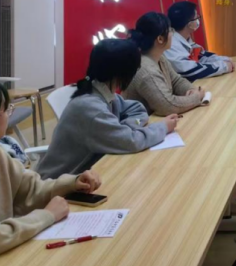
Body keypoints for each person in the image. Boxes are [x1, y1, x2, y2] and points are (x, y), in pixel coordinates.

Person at [0, 78, 102, 266]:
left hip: (3, 257)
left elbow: (30, 189)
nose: (10, 113)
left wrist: (72, 183)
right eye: (6, 109)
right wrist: (47, 215)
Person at [38, 39, 178, 179]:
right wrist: (163, 127)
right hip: (59, 184)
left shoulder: (101, 90)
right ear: (124, 73)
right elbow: (132, 141)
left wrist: (126, 127)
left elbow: (137, 110)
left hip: (86, 174)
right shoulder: (91, 108)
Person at [122, 12, 206, 116]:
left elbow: (176, 81)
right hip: (142, 123)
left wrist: (191, 90)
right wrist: (196, 97)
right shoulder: (146, 70)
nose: (173, 34)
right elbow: (167, 106)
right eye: (170, 30)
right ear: (160, 39)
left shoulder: (159, 57)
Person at [165, 1, 234, 81]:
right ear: (190, 24)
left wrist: (224, 60)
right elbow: (191, 71)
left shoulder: (185, 38)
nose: (198, 19)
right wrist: (224, 66)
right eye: (196, 17)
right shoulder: (170, 44)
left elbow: (200, 56)